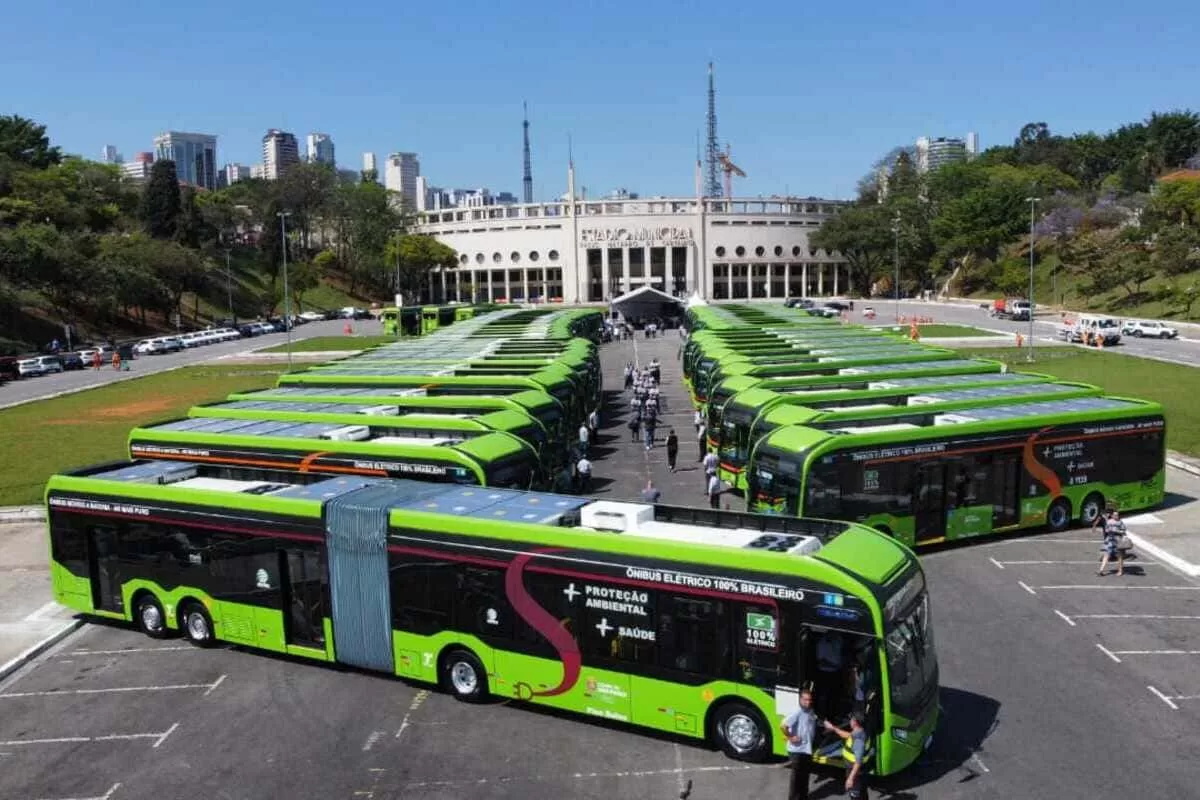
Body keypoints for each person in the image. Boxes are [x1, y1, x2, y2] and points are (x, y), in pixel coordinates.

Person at [780, 689, 820, 800]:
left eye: (809, 700)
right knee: (796, 779)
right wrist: (790, 737)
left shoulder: (810, 710)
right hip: (797, 750)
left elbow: (813, 720)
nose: (808, 702)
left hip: (806, 749)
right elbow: (783, 725)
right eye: (805, 700)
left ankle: (803, 797)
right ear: (800, 699)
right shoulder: (797, 712)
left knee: (805, 775)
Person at [823, 713, 871, 799]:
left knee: (855, 795)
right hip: (858, 771)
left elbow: (858, 762)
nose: (850, 721)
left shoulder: (858, 740)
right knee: (862, 793)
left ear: (855, 722)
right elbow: (847, 735)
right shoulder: (859, 731)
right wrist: (833, 728)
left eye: (851, 719)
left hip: (855, 772)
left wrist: (850, 779)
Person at [1095, 508, 1127, 576]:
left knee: (1119, 556)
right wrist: (1110, 530)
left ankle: (1120, 571)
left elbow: (1124, 531)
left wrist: (1117, 531)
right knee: (1106, 555)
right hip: (1110, 540)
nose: (1116, 516)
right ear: (1112, 516)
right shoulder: (1109, 521)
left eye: (1117, 515)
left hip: (1118, 541)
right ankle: (1101, 570)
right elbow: (1106, 530)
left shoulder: (1120, 522)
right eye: (1114, 515)